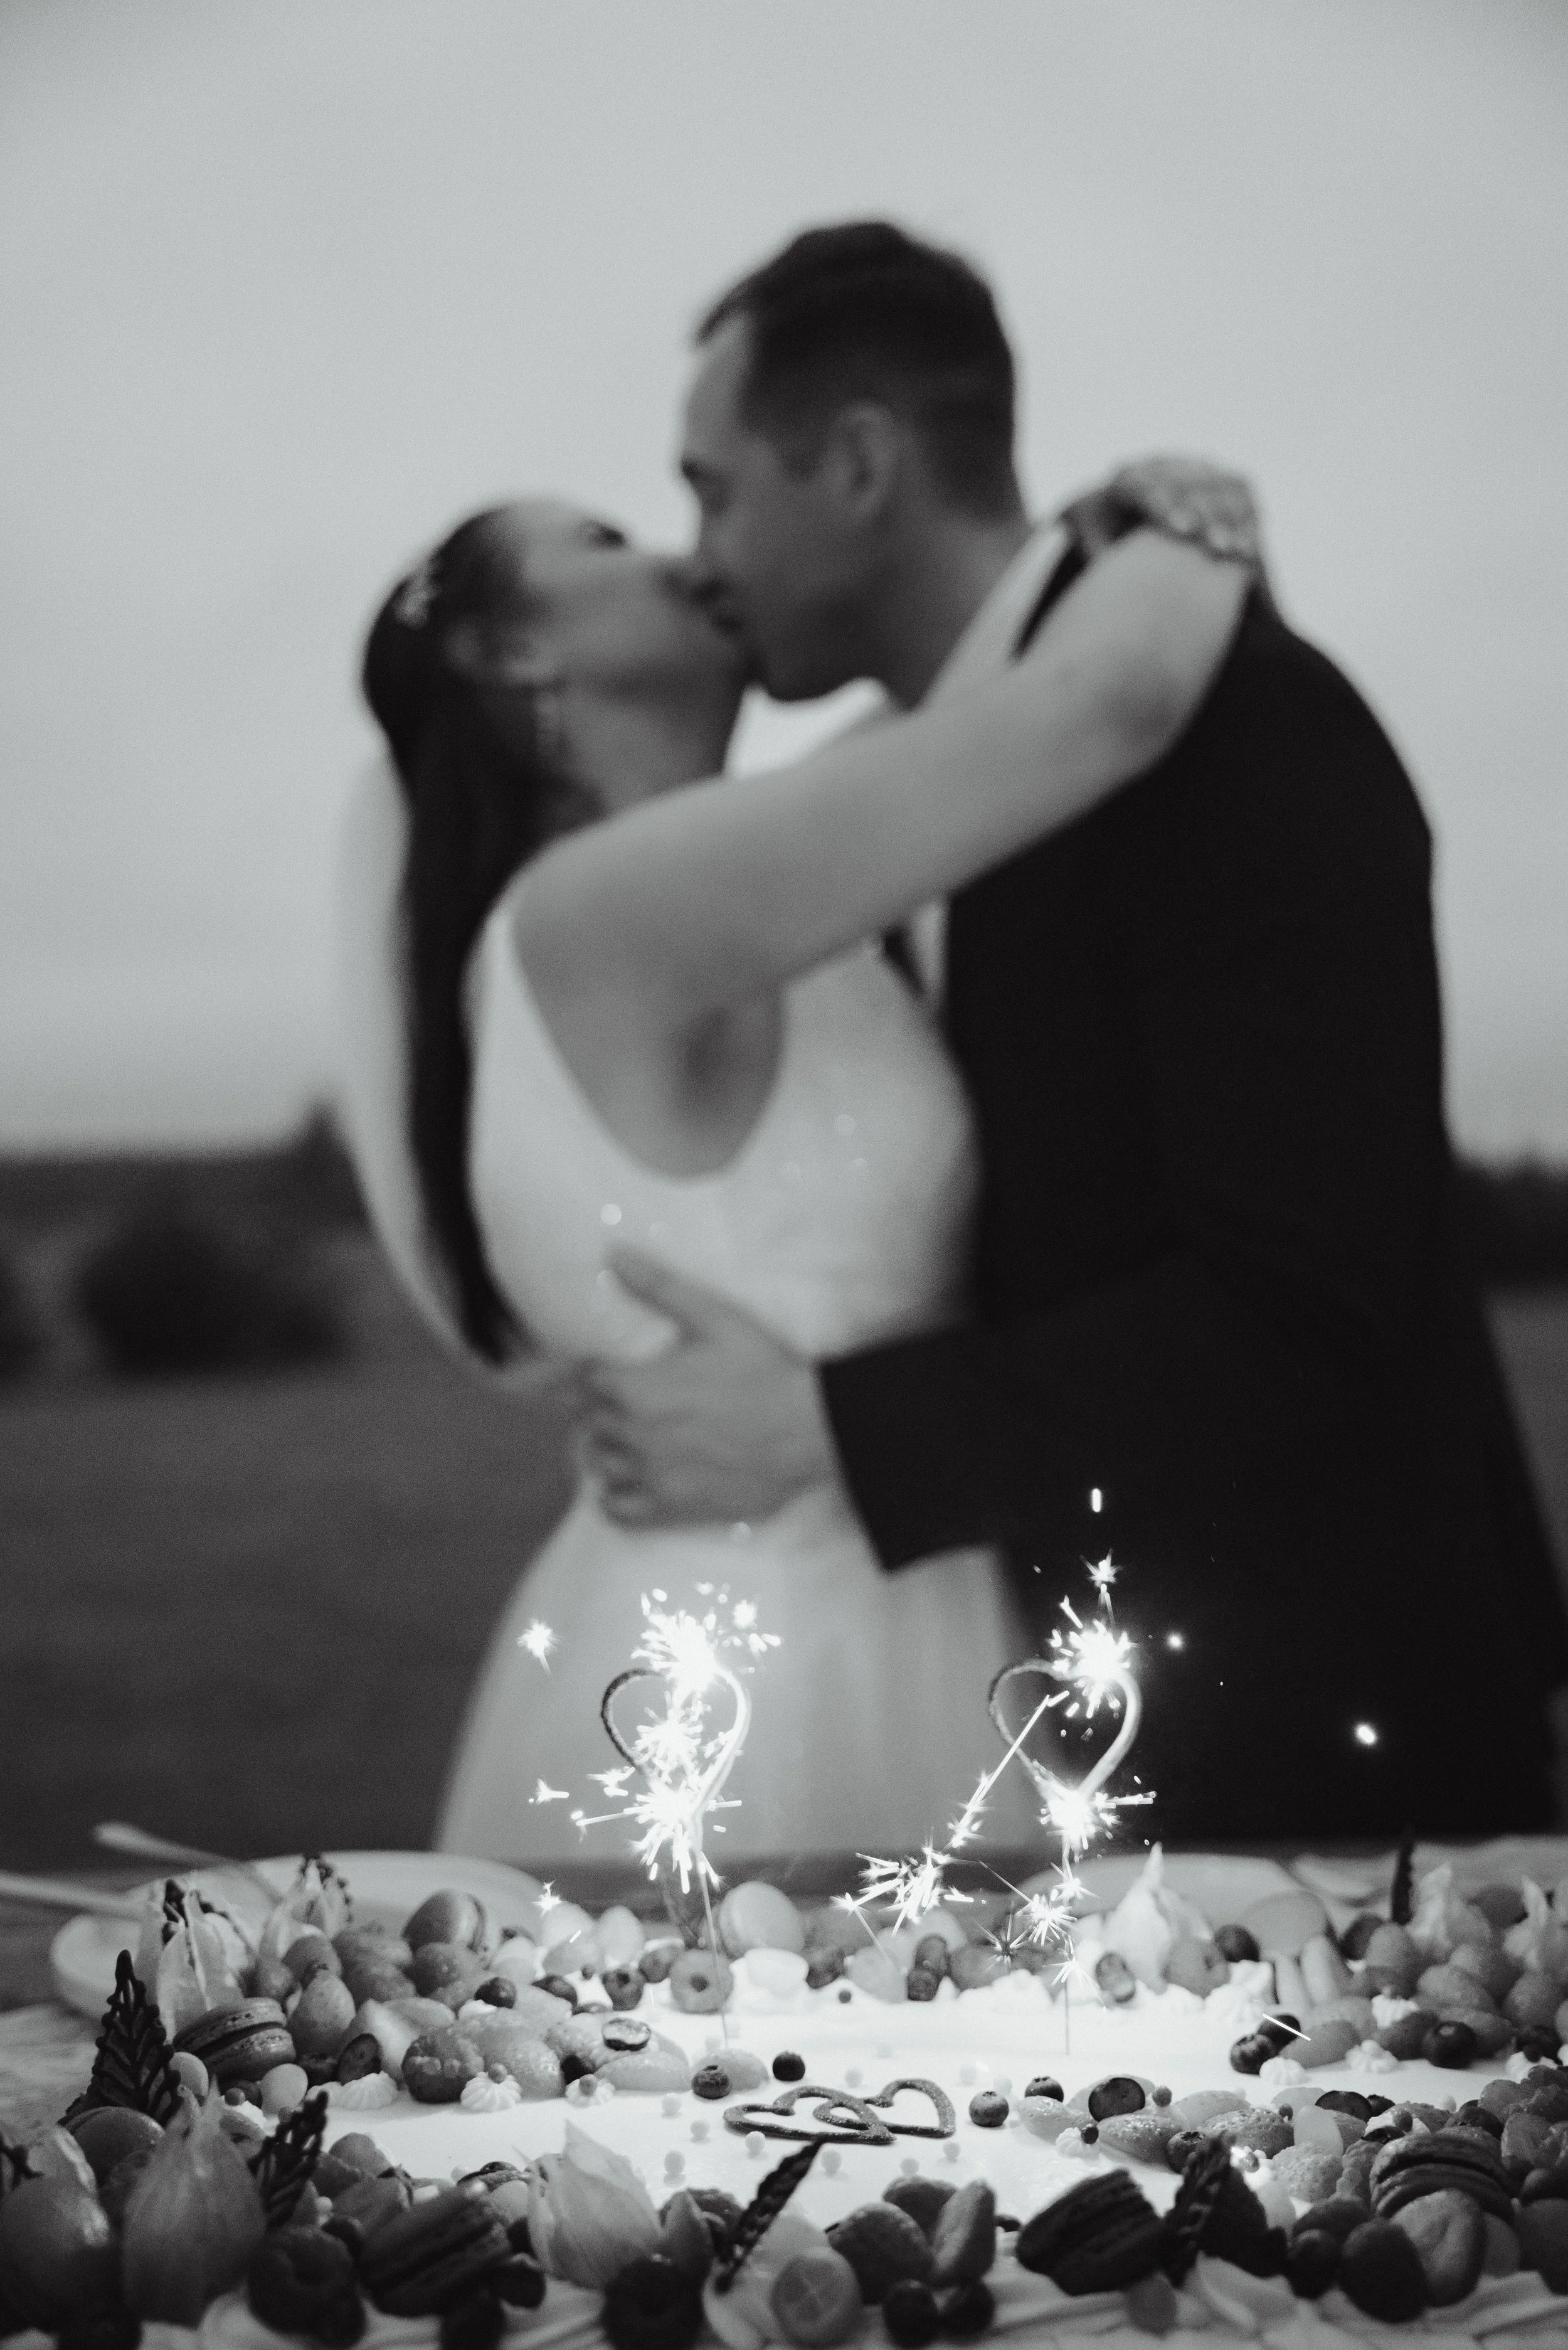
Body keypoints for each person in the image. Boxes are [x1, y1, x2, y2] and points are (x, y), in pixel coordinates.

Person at [576, 221, 1568, 1841]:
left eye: (714, 486)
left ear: (855, 462)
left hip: (1326, 1727)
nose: (700, 555)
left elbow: (1300, 1297)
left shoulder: (1238, 729)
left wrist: (823, 1424)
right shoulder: (923, 781)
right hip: (1079, 1707)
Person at [337, 457, 1251, 1864]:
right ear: (507, 646)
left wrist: (1074, 538)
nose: (676, 557)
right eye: (603, 541)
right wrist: (1189, 536)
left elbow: (984, 682)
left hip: (928, 1600)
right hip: (746, 1685)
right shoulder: (598, 912)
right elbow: (1103, 703)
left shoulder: (767, 867)